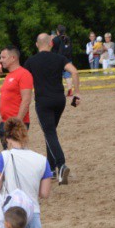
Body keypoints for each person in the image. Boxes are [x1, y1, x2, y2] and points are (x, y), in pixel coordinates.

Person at [24, 33, 80, 183]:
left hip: (43, 102)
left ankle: (61, 165)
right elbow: (74, 72)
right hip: (59, 100)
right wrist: (77, 94)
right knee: (51, 133)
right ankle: (51, 169)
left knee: (49, 133)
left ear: (37, 45)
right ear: (51, 44)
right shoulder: (60, 58)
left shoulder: (31, 61)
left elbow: (24, 80)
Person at [0, 46, 32, 148]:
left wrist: (17, 123)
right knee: (9, 156)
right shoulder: (9, 76)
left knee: (17, 156)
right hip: (5, 123)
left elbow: (26, 100)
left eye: (3, 57)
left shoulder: (24, 74)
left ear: (13, 58)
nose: (0, 60)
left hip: (16, 123)